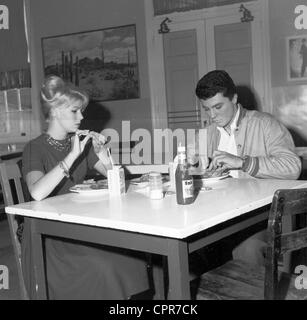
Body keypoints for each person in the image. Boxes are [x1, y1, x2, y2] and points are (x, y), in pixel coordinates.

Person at [21, 75, 150, 299]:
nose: (81, 116)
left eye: (81, 110)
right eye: (74, 111)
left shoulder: (82, 144)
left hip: (81, 227)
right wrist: (72, 156)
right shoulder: (35, 148)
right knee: (105, 267)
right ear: (55, 111)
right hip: (50, 237)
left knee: (133, 259)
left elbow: (118, 182)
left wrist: (103, 155)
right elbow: (36, 192)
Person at [194, 70, 302, 266]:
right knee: (192, 247)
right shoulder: (207, 134)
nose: (212, 115)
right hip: (223, 216)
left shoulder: (265, 124)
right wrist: (201, 170)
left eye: (218, 107)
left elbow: (292, 166)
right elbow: (201, 173)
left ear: (234, 98)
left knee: (246, 249)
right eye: (206, 109)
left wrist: (242, 162)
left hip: (264, 217)